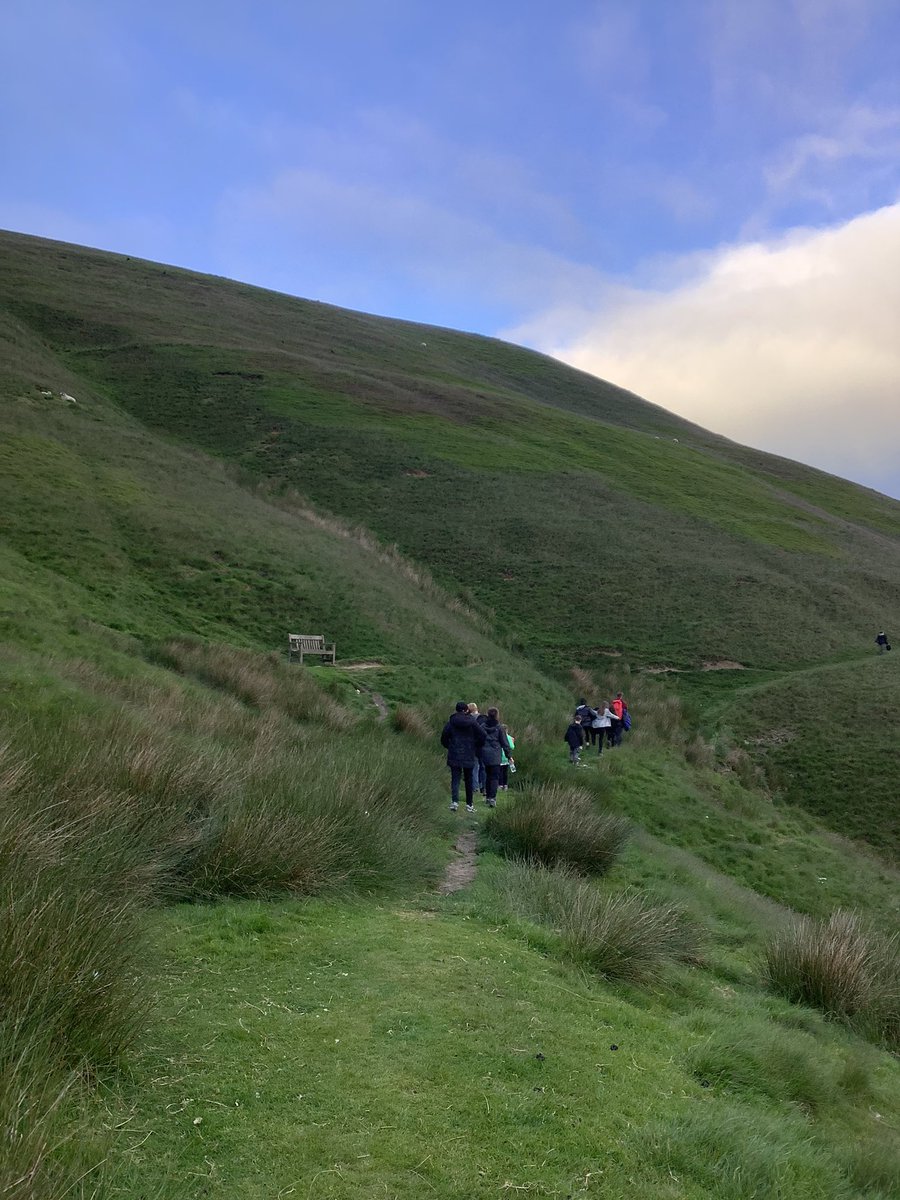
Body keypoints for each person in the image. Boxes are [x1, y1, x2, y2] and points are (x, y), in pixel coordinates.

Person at [440, 701, 486, 813]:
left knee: (455, 778)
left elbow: (444, 736)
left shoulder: (451, 722)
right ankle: (469, 805)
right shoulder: (471, 722)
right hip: (469, 753)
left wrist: (449, 746)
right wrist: (476, 745)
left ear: (456, 710)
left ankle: (454, 802)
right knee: (468, 779)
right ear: (466, 710)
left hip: (454, 753)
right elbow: (483, 734)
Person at [480, 707, 514, 807]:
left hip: (485, 754)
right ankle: (492, 798)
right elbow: (504, 743)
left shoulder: (482, 726)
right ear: (497, 715)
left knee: (488, 775)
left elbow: (479, 740)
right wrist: (509, 756)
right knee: (494, 777)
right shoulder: (499, 728)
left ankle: (487, 797)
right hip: (495, 755)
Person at [467, 703, 487, 793]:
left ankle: (475, 787)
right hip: (483, 746)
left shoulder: (468, 719)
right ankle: (484, 787)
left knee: (475, 767)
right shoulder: (484, 719)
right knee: (483, 767)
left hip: (472, 746)